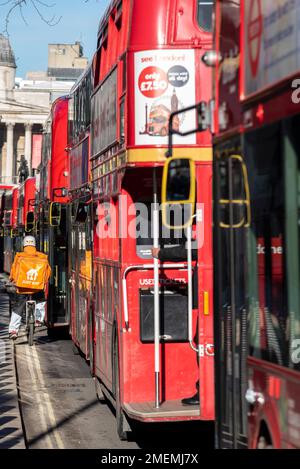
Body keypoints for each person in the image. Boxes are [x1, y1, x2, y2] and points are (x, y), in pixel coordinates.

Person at [152, 241, 200, 406]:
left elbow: (190, 251)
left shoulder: (211, 233)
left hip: (213, 299)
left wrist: (160, 254)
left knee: (201, 342)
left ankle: (204, 391)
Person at [7, 236, 51, 340]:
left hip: (22, 288)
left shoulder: (19, 256)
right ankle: (38, 319)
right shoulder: (42, 257)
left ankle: (13, 330)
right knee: (40, 301)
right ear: (34, 244)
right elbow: (48, 273)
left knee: (18, 307)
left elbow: (13, 271)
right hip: (37, 288)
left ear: (24, 245)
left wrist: (12, 279)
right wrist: (43, 282)